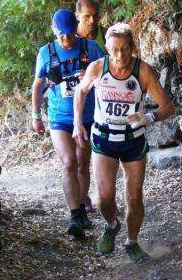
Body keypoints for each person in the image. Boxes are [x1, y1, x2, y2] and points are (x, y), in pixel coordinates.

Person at [73, 23, 174, 262]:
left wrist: (148, 117)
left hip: (132, 141)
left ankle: (132, 242)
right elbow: (80, 92)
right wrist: (77, 123)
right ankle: (111, 224)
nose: (120, 55)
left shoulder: (143, 72)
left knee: (134, 196)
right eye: (115, 49)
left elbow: (168, 107)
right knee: (104, 198)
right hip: (104, 139)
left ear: (133, 48)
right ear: (107, 49)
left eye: (125, 49)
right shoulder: (98, 68)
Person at [31, 9, 105, 239]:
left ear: (76, 29)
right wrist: (35, 116)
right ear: (54, 31)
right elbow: (38, 85)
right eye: (62, 35)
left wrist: (91, 76)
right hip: (59, 118)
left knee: (83, 165)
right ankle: (74, 215)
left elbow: (109, 74)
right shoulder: (46, 53)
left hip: (87, 116)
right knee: (69, 163)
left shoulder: (90, 48)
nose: (66, 39)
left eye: (70, 34)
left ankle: (82, 208)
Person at [75, 0, 105, 213]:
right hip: (80, 105)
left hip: (104, 104)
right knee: (80, 157)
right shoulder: (68, 37)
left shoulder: (105, 35)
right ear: (78, 16)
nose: (92, 20)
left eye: (95, 15)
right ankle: (82, 197)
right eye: (87, 16)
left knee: (103, 153)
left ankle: (102, 195)